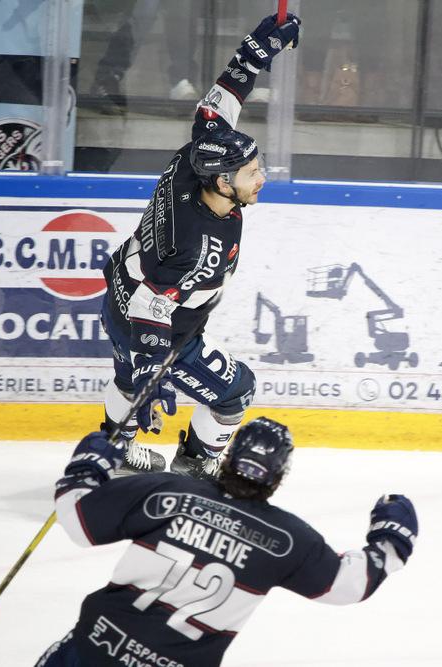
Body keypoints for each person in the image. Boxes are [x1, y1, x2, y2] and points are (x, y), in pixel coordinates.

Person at [36, 418, 419, 667]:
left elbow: (77, 519)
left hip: (94, 649)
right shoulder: (289, 540)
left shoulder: (168, 491)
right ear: (278, 476)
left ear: (229, 457)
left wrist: (88, 466)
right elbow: (349, 586)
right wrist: (390, 541)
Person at [99, 13, 302, 477]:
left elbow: (219, 103)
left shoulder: (197, 160)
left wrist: (256, 51)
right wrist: (154, 369)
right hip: (160, 330)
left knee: (127, 382)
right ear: (223, 182)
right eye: (252, 173)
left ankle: (114, 453)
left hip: (116, 296)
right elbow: (153, 308)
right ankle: (195, 465)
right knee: (236, 392)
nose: (262, 178)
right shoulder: (197, 245)